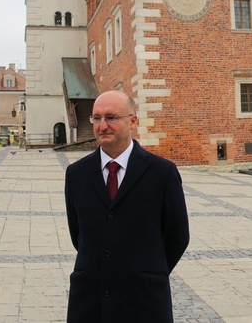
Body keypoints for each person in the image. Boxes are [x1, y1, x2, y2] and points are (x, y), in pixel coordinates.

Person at [64, 90, 190, 322]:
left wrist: (148, 272)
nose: (102, 125)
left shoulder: (162, 173)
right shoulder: (76, 174)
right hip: (90, 303)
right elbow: (78, 235)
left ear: (132, 121)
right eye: (97, 118)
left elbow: (178, 236)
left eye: (111, 117)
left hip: (144, 301)